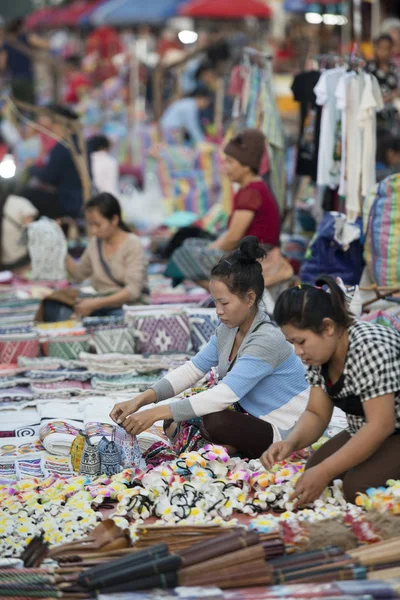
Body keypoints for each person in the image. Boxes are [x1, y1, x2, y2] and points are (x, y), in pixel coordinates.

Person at [110, 236, 309, 458]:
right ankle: (225, 449)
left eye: (224, 303)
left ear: (250, 298)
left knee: (213, 418)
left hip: (283, 430)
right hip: (249, 416)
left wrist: (153, 413)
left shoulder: (266, 339)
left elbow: (224, 395)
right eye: (215, 302)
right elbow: (192, 370)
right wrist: (139, 401)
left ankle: (222, 448)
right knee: (177, 415)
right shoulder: (228, 330)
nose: (218, 310)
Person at [261, 276, 400, 505]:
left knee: (356, 488)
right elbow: (317, 413)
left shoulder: (369, 347)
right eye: (292, 342)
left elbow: (380, 425)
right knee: (313, 470)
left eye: (301, 341)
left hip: (391, 428)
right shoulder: (320, 354)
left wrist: (326, 471)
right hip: (367, 428)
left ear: (328, 327)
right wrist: (291, 442)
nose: (297, 351)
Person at [166, 129, 281, 289]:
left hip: (253, 257)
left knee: (183, 255)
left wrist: (207, 251)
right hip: (246, 252)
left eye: (230, 162)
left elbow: (233, 238)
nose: (224, 167)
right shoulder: (250, 189)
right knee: (190, 244)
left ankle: (227, 295)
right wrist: (207, 249)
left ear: (246, 166)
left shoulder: (251, 192)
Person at [65, 193, 148, 317]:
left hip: (129, 308)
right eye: (90, 224)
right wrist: (61, 251)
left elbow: (133, 291)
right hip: (102, 306)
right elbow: (78, 275)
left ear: (114, 220)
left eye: (97, 225)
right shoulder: (95, 244)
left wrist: (96, 304)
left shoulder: (132, 244)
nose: (93, 230)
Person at [24, 104, 88, 219]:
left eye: (53, 125)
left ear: (60, 125)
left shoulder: (63, 147)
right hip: (77, 198)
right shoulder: (78, 143)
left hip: (68, 202)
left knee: (25, 194)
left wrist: (31, 168)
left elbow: (48, 177)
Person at [3, 17, 49, 104]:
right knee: (33, 106)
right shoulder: (25, 37)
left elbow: (3, 64)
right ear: (20, 27)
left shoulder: (6, 43)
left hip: (14, 80)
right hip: (27, 78)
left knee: (19, 107)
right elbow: (46, 45)